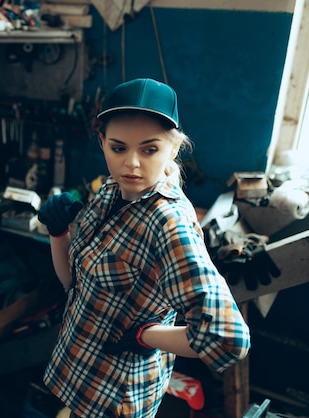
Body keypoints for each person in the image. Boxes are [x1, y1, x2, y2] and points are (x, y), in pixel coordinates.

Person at [38, 78, 251, 418]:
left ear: (173, 149)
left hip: (116, 396)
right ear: (102, 141)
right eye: (119, 148)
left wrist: (146, 336)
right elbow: (73, 286)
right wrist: (58, 234)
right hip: (79, 373)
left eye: (149, 149)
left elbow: (227, 338)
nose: (132, 164)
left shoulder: (168, 225)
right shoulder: (111, 191)